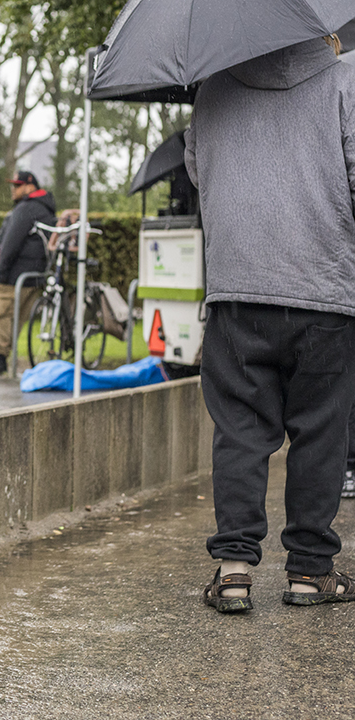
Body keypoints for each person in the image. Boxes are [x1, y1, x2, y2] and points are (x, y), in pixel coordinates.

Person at [185, 35, 355, 613]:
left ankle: (233, 572)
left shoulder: (211, 91)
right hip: (326, 293)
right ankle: (310, 572)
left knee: (239, 431)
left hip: (236, 290)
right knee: (322, 433)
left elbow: (201, 176)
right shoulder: (345, 83)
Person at [0, 170, 56, 375]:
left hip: (12, 277)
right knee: (16, 319)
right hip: (34, 277)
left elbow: (10, 244)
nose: (13, 190)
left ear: (30, 187)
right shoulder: (47, 209)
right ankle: (3, 357)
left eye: (17, 186)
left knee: (0, 314)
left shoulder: (25, 209)